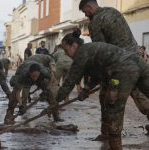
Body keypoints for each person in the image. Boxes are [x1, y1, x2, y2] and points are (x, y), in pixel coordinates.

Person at [56, 31, 149, 150]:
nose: (66, 54)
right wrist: (87, 89)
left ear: (74, 45)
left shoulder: (81, 54)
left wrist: (55, 101)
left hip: (123, 71)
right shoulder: (91, 49)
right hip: (138, 63)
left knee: (114, 107)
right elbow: (99, 74)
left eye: (66, 50)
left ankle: (115, 147)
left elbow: (70, 81)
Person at [79, 0, 149, 140]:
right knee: (140, 95)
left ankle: (107, 134)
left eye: (85, 12)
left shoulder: (96, 22)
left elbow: (101, 55)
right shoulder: (113, 11)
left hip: (119, 66)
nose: (86, 16)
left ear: (89, 6)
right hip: (136, 61)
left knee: (107, 97)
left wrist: (88, 86)